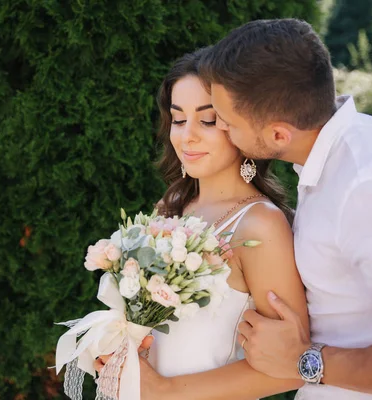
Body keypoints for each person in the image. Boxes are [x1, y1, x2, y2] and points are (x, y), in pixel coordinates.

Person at [95, 48, 310, 399]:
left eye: (207, 120)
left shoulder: (259, 225)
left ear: (241, 125)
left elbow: (289, 369)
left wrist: (165, 391)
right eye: (178, 119)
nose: (187, 136)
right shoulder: (169, 208)